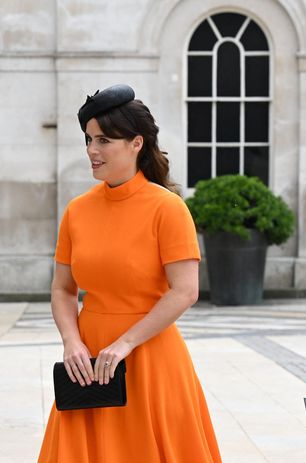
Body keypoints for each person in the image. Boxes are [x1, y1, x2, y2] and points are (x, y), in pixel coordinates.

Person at [38, 84, 222, 462]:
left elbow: (185, 291)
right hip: (88, 364)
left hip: (151, 358)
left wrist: (125, 344)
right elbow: (62, 289)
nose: (92, 150)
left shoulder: (167, 209)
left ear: (136, 143)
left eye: (104, 140)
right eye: (88, 140)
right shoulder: (77, 211)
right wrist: (72, 342)